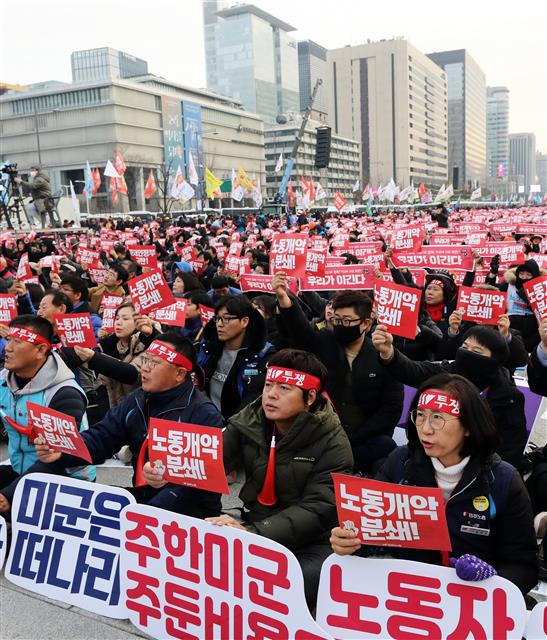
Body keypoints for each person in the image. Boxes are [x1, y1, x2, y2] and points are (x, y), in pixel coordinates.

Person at [330, 373, 538, 596]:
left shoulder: (503, 480)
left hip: (470, 603)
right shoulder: (400, 463)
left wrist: (492, 580)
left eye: (438, 418)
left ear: (469, 426)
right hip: (403, 594)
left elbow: (524, 567)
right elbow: (370, 535)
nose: (426, 428)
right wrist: (349, 543)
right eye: (420, 415)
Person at [193, 349, 353, 610]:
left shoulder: (333, 440)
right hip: (254, 525)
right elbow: (208, 461)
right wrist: (165, 469)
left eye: (285, 388)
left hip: (311, 543)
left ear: (310, 397)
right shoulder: (251, 420)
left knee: (274, 589)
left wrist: (254, 533)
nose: (271, 394)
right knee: (200, 570)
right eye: (268, 384)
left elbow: (317, 508)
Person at [33, 332, 225, 517]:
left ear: (180, 373)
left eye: (155, 362)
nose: (146, 368)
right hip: (145, 498)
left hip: (192, 514)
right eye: (146, 359)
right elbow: (102, 437)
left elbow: (191, 488)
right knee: (83, 504)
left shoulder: (204, 414)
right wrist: (63, 450)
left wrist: (143, 516)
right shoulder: (137, 399)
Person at [274, 275, 403, 475]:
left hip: (363, 437)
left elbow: (390, 410)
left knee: (384, 447)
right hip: (322, 429)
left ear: (366, 324)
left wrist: (352, 437)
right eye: (336, 320)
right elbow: (300, 332)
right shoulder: (326, 340)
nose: (340, 325)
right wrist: (284, 299)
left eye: (347, 321)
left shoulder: (383, 355)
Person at [372, 323, 528, 469]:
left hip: (479, 469)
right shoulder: (448, 373)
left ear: (494, 360)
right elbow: (413, 370)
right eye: (464, 347)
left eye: (476, 352)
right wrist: (388, 353)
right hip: (432, 461)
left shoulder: (509, 397)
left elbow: (511, 448)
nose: (467, 354)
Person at [0, 315, 95, 511]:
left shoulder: (64, 394)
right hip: (22, 470)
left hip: (66, 480)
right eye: (8, 339)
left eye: (17, 342)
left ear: (41, 349)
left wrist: (9, 494)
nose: (7, 348)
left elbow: (56, 460)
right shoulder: (3, 380)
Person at [197, 295, 275, 419]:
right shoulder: (207, 349)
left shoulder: (263, 357)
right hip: (205, 423)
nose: (219, 324)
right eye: (217, 319)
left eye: (226, 319)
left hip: (236, 429)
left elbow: (251, 405)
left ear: (244, 321)